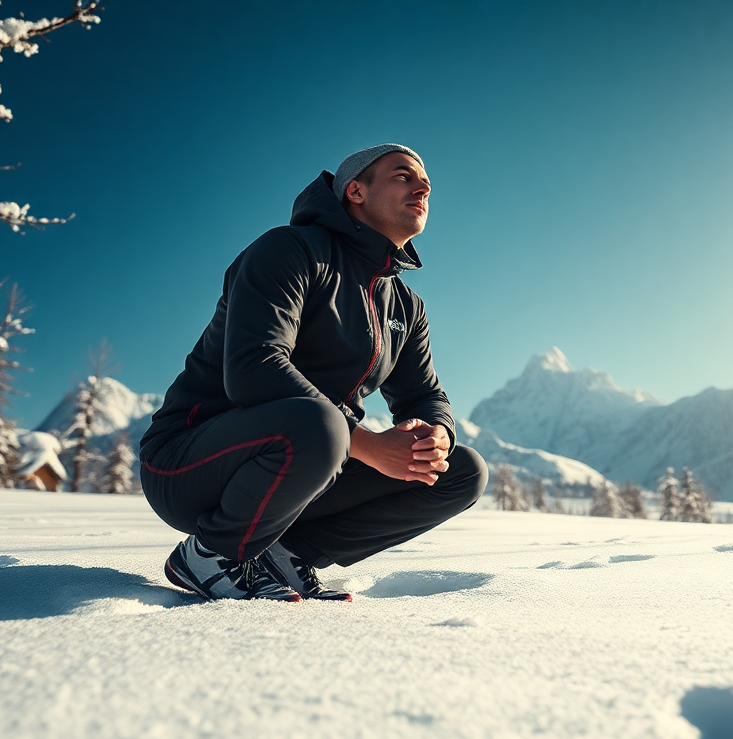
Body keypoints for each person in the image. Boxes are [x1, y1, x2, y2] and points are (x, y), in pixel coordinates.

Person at [138, 143, 487, 602]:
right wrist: (368, 446)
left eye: (426, 183)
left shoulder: (405, 305)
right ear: (356, 190)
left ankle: (282, 552)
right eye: (403, 175)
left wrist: (434, 434)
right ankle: (210, 554)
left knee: (459, 470)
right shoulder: (289, 250)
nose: (423, 186)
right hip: (189, 463)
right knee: (321, 423)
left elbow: (425, 395)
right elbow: (254, 367)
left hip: (308, 468)